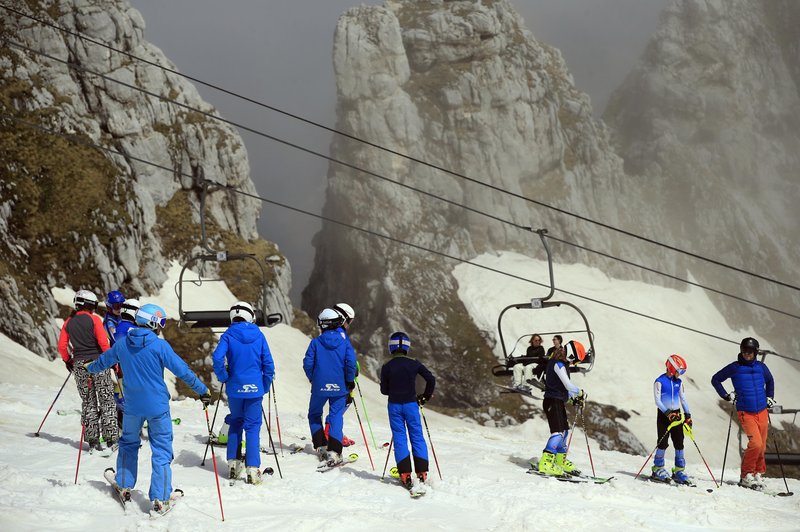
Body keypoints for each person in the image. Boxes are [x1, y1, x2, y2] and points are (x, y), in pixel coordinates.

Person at [86, 303, 211, 515]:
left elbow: (102, 362)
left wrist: (88, 369)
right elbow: (183, 371)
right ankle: (160, 498)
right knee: (161, 450)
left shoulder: (122, 344)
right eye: (161, 323)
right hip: (158, 407)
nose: (162, 327)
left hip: (132, 405)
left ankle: (124, 484)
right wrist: (202, 391)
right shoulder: (160, 346)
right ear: (153, 323)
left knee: (128, 443)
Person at [212, 301, 275, 485]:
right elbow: (269, 365)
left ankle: (233, 464)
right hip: (255, 389)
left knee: (236, 423)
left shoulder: (228, 335)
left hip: (235, 388)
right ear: (250, 316)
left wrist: (224, 376)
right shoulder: (259, 335)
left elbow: (217, 358)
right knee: (253, 427)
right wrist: (264, 385)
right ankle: (253, 469)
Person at [57, 289, 118, 453]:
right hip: (98, 363)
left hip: (79, 365)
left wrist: (68, 360)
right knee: (106, 401)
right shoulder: (94, 320)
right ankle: (111, 439)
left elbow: (62, 346)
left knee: (88, 402)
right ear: (89, 305)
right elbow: (104, 344)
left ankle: (92, 440)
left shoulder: (68, 322)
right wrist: (112, 361)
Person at [711, 337, 776, 490]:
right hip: (745, 412)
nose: (747, 354)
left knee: (762, 446)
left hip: (762, 410)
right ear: (741, 351)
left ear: (756, 352)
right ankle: (746, 475)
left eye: (750, 351)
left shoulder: (761, 367)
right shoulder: (735, 367)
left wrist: (770, 397)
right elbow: (716, 379)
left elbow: (770, 381)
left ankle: (758, 473)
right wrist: (726, 396)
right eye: (745, 351)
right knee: (755, 443)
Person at [380, 331, 436, 489]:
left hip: (394, 406)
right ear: (407, 347)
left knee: (400, 438)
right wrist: (424, 396)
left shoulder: (387, 366)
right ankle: (422, 473)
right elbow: (431, 379)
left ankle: (405, 475)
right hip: (411, 405)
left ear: (391, 347)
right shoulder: (414, 363)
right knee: (417, 436)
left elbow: (384, 391)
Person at [303, 308, 357, 467]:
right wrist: (349, 380)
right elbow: (350, 363)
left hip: (319, 386)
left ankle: (320, 446)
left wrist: (314, 379)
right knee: (335, 416)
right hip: (340, 387)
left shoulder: (315, 342)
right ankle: (335, 451)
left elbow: (307, 364)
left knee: (314, 414)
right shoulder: (344, 341)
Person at [538, 340, 587, 476]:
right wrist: (581, 393)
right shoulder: (558, 364)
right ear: (572, 355)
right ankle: (546, 463)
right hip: (552, 401)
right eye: (575, 361)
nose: (574, 364)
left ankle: (560, 461)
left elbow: (564, 388)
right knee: (557, 433)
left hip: (558, 401)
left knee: (564, 432)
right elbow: (568, 385)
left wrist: (573, 398)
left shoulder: (562, 364)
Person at [651, 355, 692, 484]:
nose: (680, 375)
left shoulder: (678, 383)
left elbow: (683, 399)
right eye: (679, 371)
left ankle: (679, 470)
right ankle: (658, 468)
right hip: (664, 415)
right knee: (663, 442)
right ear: (672, 368)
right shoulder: (660, 381)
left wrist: (687, 415)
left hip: (677, 415)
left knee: (679, 442)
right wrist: (668, 413)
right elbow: (657, 401)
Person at [324, 302, 357, 447]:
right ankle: (331, 433)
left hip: (327, 374)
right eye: (349, 321)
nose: (349, 325)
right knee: (343, 402)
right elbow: (347, 356)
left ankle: (332, 431)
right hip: (340, 376)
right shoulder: (341, 334)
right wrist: (352, 372)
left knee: (338, 404)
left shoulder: (328, 331)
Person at [111, 298, 139, 429]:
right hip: (130, 369)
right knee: (128, 399)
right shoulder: (130, 329)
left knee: (121, 396)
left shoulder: (120, 326)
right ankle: (128, 428)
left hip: (122, 367)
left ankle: (121, 422)